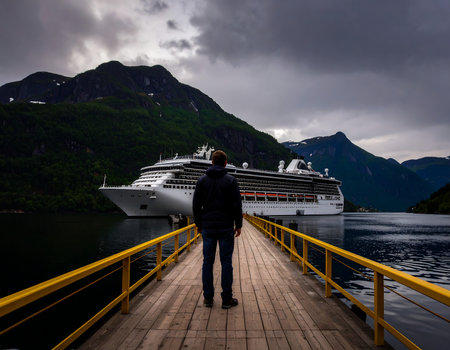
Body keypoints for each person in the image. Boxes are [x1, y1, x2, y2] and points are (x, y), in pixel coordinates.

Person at [193, 150, 243, 309]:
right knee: (226, 262)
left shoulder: (202, 181)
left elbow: (196, 205)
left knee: (207, 262)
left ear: (212, 162)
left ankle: (208, 298)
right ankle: (226, 299)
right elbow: (237, 204)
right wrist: (238, 224)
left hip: (207, 227)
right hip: (226, 227)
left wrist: (198, 223)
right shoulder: (231, 180)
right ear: (225, 163)